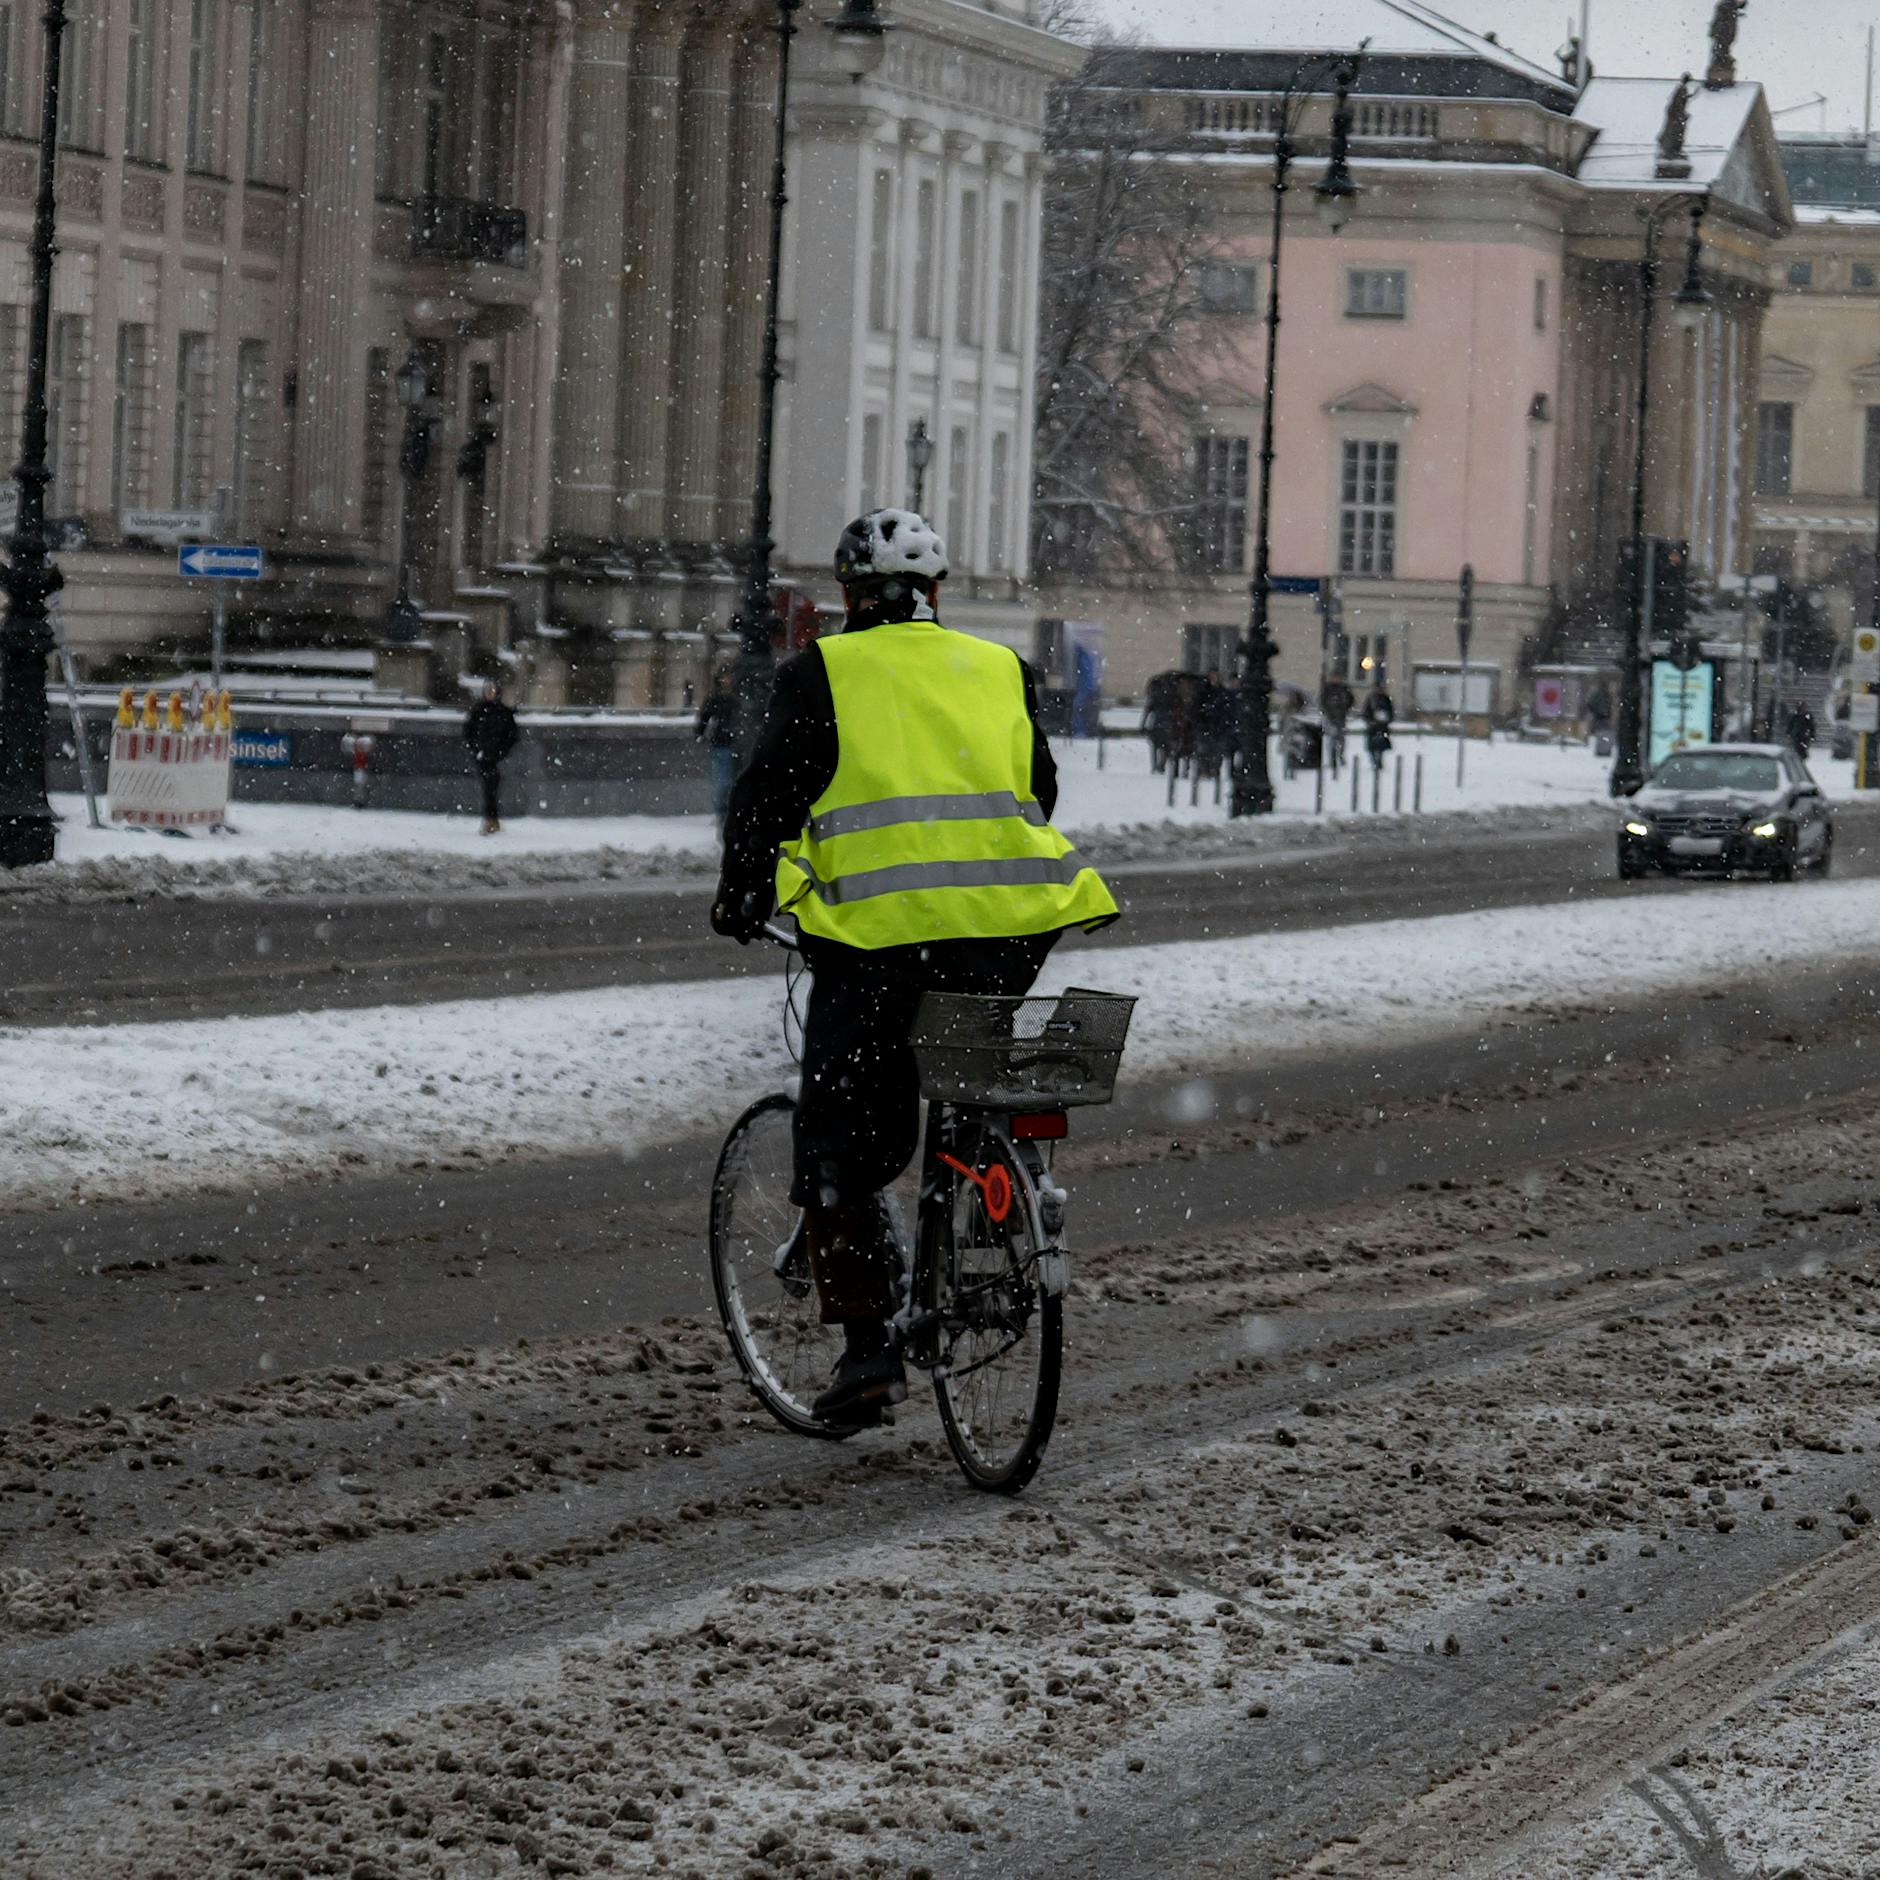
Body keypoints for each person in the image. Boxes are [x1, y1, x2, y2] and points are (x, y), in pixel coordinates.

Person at [710, 508, 1118, 1424]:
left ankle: (866, 1356)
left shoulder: (824, 672)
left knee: (841, 1144)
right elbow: (1039, 788)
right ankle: (982, 1195)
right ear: (935, 594)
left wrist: (744, 889)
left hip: (879, 944)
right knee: (967, 1076)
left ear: (849, 599)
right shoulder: (1000, 669)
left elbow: (766, 795)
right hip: (1009, 931)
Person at [463, 679, 519, 835]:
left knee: (491, 787)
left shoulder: (502, 712)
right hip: (484, 755)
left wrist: (501, 752)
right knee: (489, 787)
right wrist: (477, 749)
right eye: (488, 691)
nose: (490, 693)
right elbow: (469, 733)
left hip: (495, 755)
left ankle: (491, 819)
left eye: (492, 691)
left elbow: (511, 735)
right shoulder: (478, 711)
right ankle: (491, 819)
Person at [695, 664, 740, 828]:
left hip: (731, 744)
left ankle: (726, 814)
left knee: (725, 783)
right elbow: (704, 717)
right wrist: (700, 732)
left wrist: (700, 732)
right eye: (724, 677)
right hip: (724, 744)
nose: (726, 680)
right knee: (722, 784)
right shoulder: (719, 699)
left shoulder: (730, 698)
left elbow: (704, 718)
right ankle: (723, 815)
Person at [1320, 673, 1354, 774]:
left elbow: (1350, 700)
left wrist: (1345, 708)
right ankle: (1332, 757)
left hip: (1341, 716)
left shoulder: (1343, 688)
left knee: (1340, 738)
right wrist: (1327, 710)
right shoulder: (1327, 689)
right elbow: (1322, 701)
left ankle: (1340, 755)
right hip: (1330, 717)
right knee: (1332, 738)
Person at [1363, 679, 1394, 772]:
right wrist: (1370, 720)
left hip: (1382, 726)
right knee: (1372, 746)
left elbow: (1391, 711)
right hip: (1373, 726)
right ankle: (1374, 760)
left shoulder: (1386, 699)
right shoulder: (1371, 699)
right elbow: (1366, 712)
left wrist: (1387, 719)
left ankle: (1379, 761)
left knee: (1381, 745)